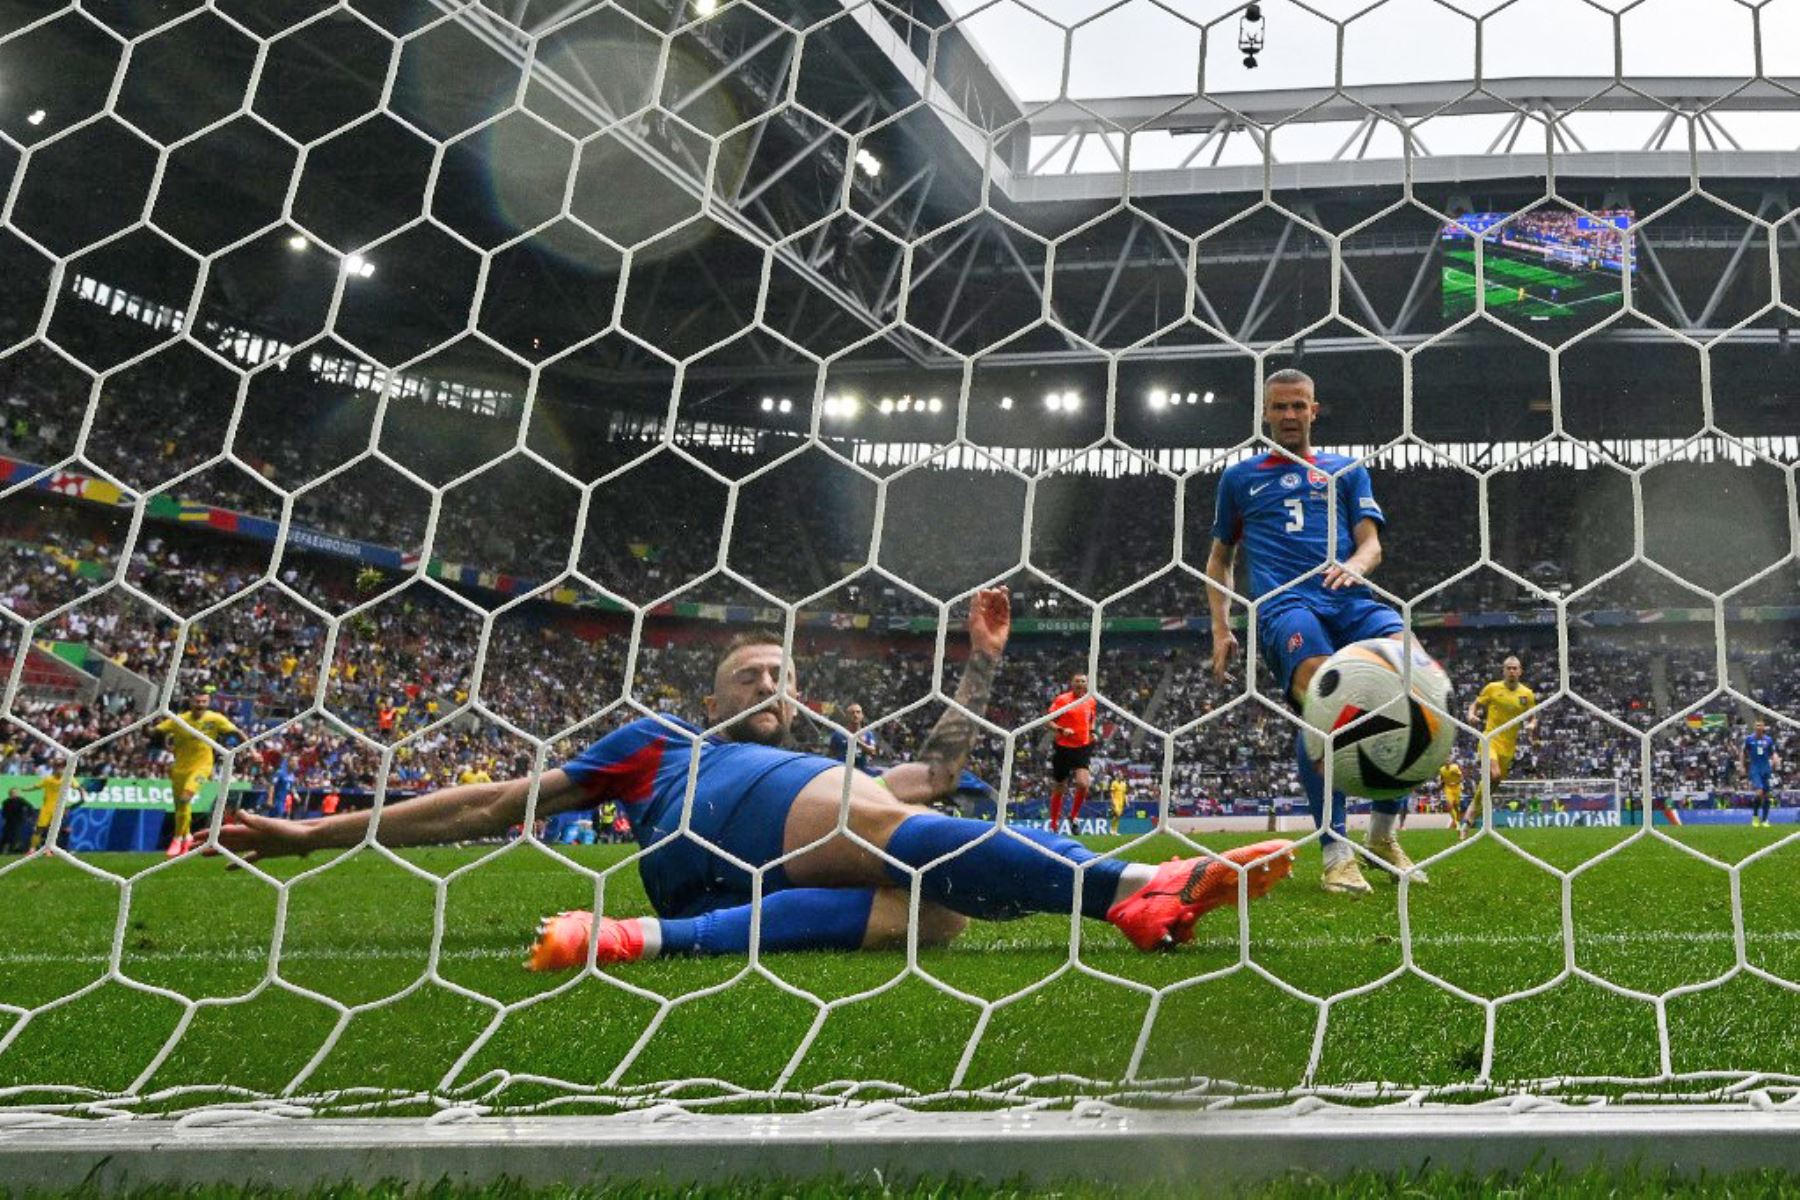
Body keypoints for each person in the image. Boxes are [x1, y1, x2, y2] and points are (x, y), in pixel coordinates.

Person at [216, 590, 1294, 967]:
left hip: (732, 892)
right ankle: (1129, 890)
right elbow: (494, 803)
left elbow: (944, 778)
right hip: (713, 826)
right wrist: (317, 835)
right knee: (881, 821)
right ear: (717, 696)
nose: (773, 679)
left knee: (938, 916)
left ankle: (635, 943)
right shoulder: (659, 744)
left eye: (782, 668)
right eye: (751, 672)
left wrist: (981, 664)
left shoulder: (822, 759)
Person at [1205, 368, 1423, 896]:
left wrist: (1356, 566)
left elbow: (1371, 545)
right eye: (1279, 407)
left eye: (1298, 406)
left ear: (1314, 410)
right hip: (1287, 605)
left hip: (1349, 597)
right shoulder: (1240, 478)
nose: (1288, 416)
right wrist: (1221, 627)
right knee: (1325, 699)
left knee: (1416, 682)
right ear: (1265, 413)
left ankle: (1382, 836)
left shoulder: (1347, 471)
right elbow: (1219, 560)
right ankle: (1335, 850)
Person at [154, 692, 243, 857]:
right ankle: (185, 837)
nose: (200, 704)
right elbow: (157, 731)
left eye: (204, 701)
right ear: (190, 701)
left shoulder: (215, 719)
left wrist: (251, 749)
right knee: (181, 806)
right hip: (179, 768)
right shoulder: (179, 719)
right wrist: (159, 740)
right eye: (197, 701)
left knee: (185, 797)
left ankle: (177, 838)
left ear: (208, 703)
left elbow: (235, 732)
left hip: (202, 767)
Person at [1463, 656, 1537, 839]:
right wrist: (1471, 715)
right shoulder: (1492, 688)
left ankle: (1473, 809)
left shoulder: (1527, 694)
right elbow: (1476, 704)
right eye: (1508, 668)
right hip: (1490, 740)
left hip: (1508, 746)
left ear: (1520, 671)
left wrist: (1531, 726)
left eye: (1515, 668)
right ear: (1503, 671)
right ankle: (1472, 814)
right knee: (1494, 775)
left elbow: (1533, 717)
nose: (1512, 671)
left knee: (1494, 781)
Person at [1046, 673, 1097, 834]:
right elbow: (1048, 721)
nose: (1080, 684)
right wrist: (1061, 729)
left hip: (1082, 747)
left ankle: (1073, 817)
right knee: (1060, 786)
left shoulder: (1090, 700)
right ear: (1072, 683)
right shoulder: (1062, 700)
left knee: (1083, 783)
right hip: (1063, 747)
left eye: (1083, 681)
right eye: (1077, 681)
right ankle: (1054, 824)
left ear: (1087, 684)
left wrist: (1092, 731)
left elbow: (1091, 719)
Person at [1740, 719, 1781, 827]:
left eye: (1760, 725)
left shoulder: (1769, 740)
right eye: (1756, 725)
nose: (1758, 727)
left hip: (1766, 769)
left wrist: (1776, 760)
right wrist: (1742, 766)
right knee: (1759, 792)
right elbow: (1743, 753)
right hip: (1755, 769)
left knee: (1766, 795)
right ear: (1754, 727)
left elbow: (1772, 753)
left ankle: (1765, 820)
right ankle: (1755, 816)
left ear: (1763, 728)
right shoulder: (1749, 739)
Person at [825, 703, 880, 770]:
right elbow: (830, 754)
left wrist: (857, 742)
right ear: (847, 716)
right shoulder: (838, 734)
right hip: (842, 772)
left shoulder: (868, 734)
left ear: (862, 716)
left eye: (858, 712)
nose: (855, 715)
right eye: (852, 713)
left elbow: (873, 752)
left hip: (861, 772)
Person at [1437, 758, 1465, 832]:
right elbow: (1442, 778)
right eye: (1446, 761)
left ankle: (1458, 822)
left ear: (1451, 762)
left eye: (1448, 761)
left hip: (1456, 788)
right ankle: (1456, 823)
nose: (1447, 762)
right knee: (1449, 805)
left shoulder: (1455, 768)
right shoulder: (1442, 770)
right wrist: (1440, 785)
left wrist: (1457, 782)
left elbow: (1461, 777)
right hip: (1448, 788)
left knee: (1457, 807)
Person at [1, 787, 30, 853]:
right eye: (12, 793)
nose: (14, 794)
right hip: (9, 821)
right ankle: (2, 850)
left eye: (15, 793)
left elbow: (29, 807)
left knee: (15, 836)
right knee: (5, 836)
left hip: (18, 821)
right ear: (10, 794)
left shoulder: (21, 800)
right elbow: (4, 812)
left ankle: (11, 851)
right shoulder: (6, 802)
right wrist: (5, 817)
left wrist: (28, 816)